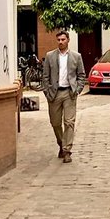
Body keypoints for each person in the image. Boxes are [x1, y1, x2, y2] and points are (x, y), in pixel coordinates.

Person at [41, 29, 87, 163]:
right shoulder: (50, 56)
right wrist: (47, 91)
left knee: (69, 122)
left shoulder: (76, 56)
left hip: (69, 93)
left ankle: (67, 150)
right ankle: (61, 143)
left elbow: (81, 75)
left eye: (63, 40)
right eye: (59, 40)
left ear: (68, 40)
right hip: (54, 94)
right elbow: (45, 77)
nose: (60, 42)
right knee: (55, 123)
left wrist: (77, 90)